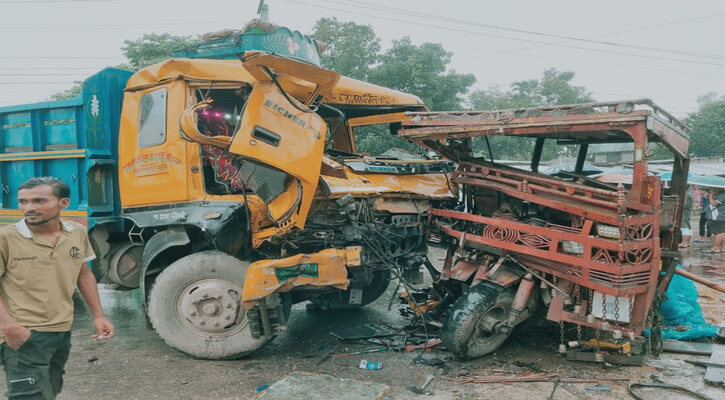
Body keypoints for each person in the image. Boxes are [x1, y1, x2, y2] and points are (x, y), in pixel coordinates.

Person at [0, 177, 114, 399]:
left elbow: (84, 275)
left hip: (61, 330)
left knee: (50, 390)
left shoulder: (76, 233)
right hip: (24, 331)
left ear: (64, 203)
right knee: (28, 395)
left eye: (39, 201)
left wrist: (99, 316)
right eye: (23, 202)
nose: (29, 208)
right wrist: (9, 327)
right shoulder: (6, 238)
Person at [705, 188, 725, 254]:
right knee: (721, 231)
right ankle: (721, 247)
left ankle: (716, 247)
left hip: (718, 216)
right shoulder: (720, 195)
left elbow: (714, 203)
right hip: (721, 216)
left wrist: (711, 196)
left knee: (718, 232)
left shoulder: (722, 195)